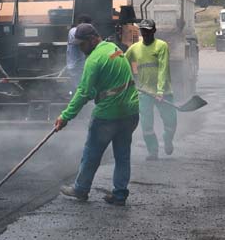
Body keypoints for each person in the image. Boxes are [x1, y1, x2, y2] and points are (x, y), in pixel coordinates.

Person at [55, 23, 140, 205]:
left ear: (92, 40)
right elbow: (106, 86)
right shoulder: (114, 49)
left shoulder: (93, 60)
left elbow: (83, 92)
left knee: (92, 153)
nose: (80, 48)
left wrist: (65, 116)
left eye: (82, 44)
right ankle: (120, 195)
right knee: (122, 155)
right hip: (131, 112)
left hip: (108, 115)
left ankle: (81, 189)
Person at [124, 19, 177, 161]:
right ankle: (153, 151)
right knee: (146, 125)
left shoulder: (161, 46)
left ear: (154, 31)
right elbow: (123, 62)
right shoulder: (135, 48)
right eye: (143, 31)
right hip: (144, 92)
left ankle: (167, 138)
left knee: (171, 122)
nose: (145, 34)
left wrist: (160, 91)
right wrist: (129, 79)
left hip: (164, 92)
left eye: (148, 31)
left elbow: (163, 69)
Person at [66, 14, 92, 93]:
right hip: (75, 65)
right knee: (79, 88)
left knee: (83, 85)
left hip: (81, 65)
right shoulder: (73, 31)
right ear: (83, 23)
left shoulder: (83, 33)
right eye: (89, 26)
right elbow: (77, 40)